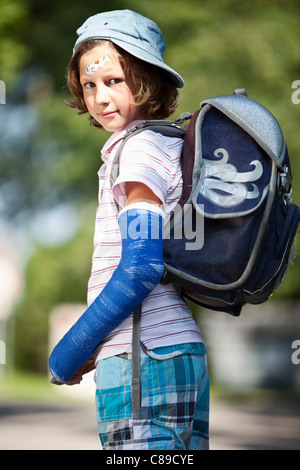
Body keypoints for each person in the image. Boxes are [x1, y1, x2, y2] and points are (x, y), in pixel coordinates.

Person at [49, 9, 209, 450]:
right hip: (165, 350)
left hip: (146, 357)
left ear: (148, 80)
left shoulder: (138, 151)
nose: (100, 97)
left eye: (114, 81)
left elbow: (140, 267)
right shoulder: (157, 143)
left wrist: (69, 350)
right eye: (89, 84)